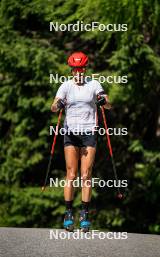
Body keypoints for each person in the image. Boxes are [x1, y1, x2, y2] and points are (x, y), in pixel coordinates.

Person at [51, 51, 111, 231]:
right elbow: (53, 107)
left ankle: (85, 214)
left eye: (82, 69)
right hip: (71, 133)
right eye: (76, 70)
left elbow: (108, 104)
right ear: (71, 71)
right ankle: (68, 213)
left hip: (88, 133)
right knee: (71, 174)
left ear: (85, 69)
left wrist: (102, 101)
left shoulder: (94, 84)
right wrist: (58, 105)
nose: (79, 73)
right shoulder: (65, 86)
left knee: (86, 175)